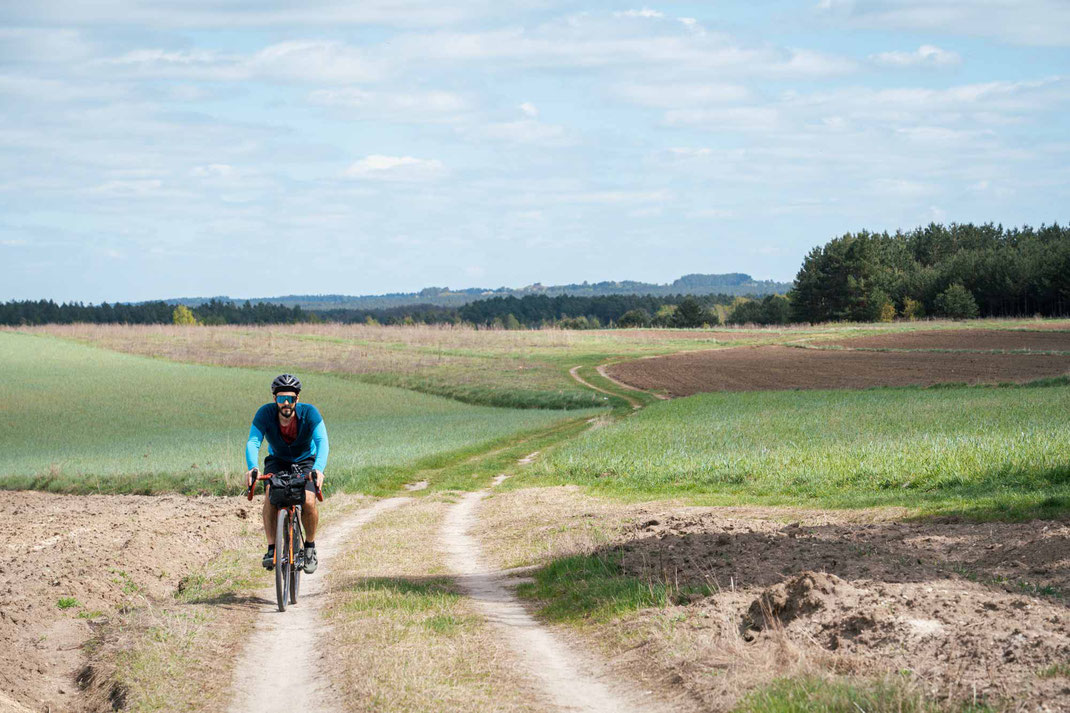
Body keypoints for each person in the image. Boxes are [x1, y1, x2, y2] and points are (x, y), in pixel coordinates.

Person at [244, 374, 328, 574]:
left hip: (306, 460)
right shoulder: (265, 414)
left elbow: (322, 442)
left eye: (290, 398)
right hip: (278, 460)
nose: (286, 403)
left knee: (308, 501)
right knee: (270, 498)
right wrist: (252, 467)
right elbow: (253, 442)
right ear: (275, 400)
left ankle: (309, 548)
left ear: (297, 399)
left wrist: (318, 469)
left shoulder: (310, 413)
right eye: (281, 399)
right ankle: (272, 548)